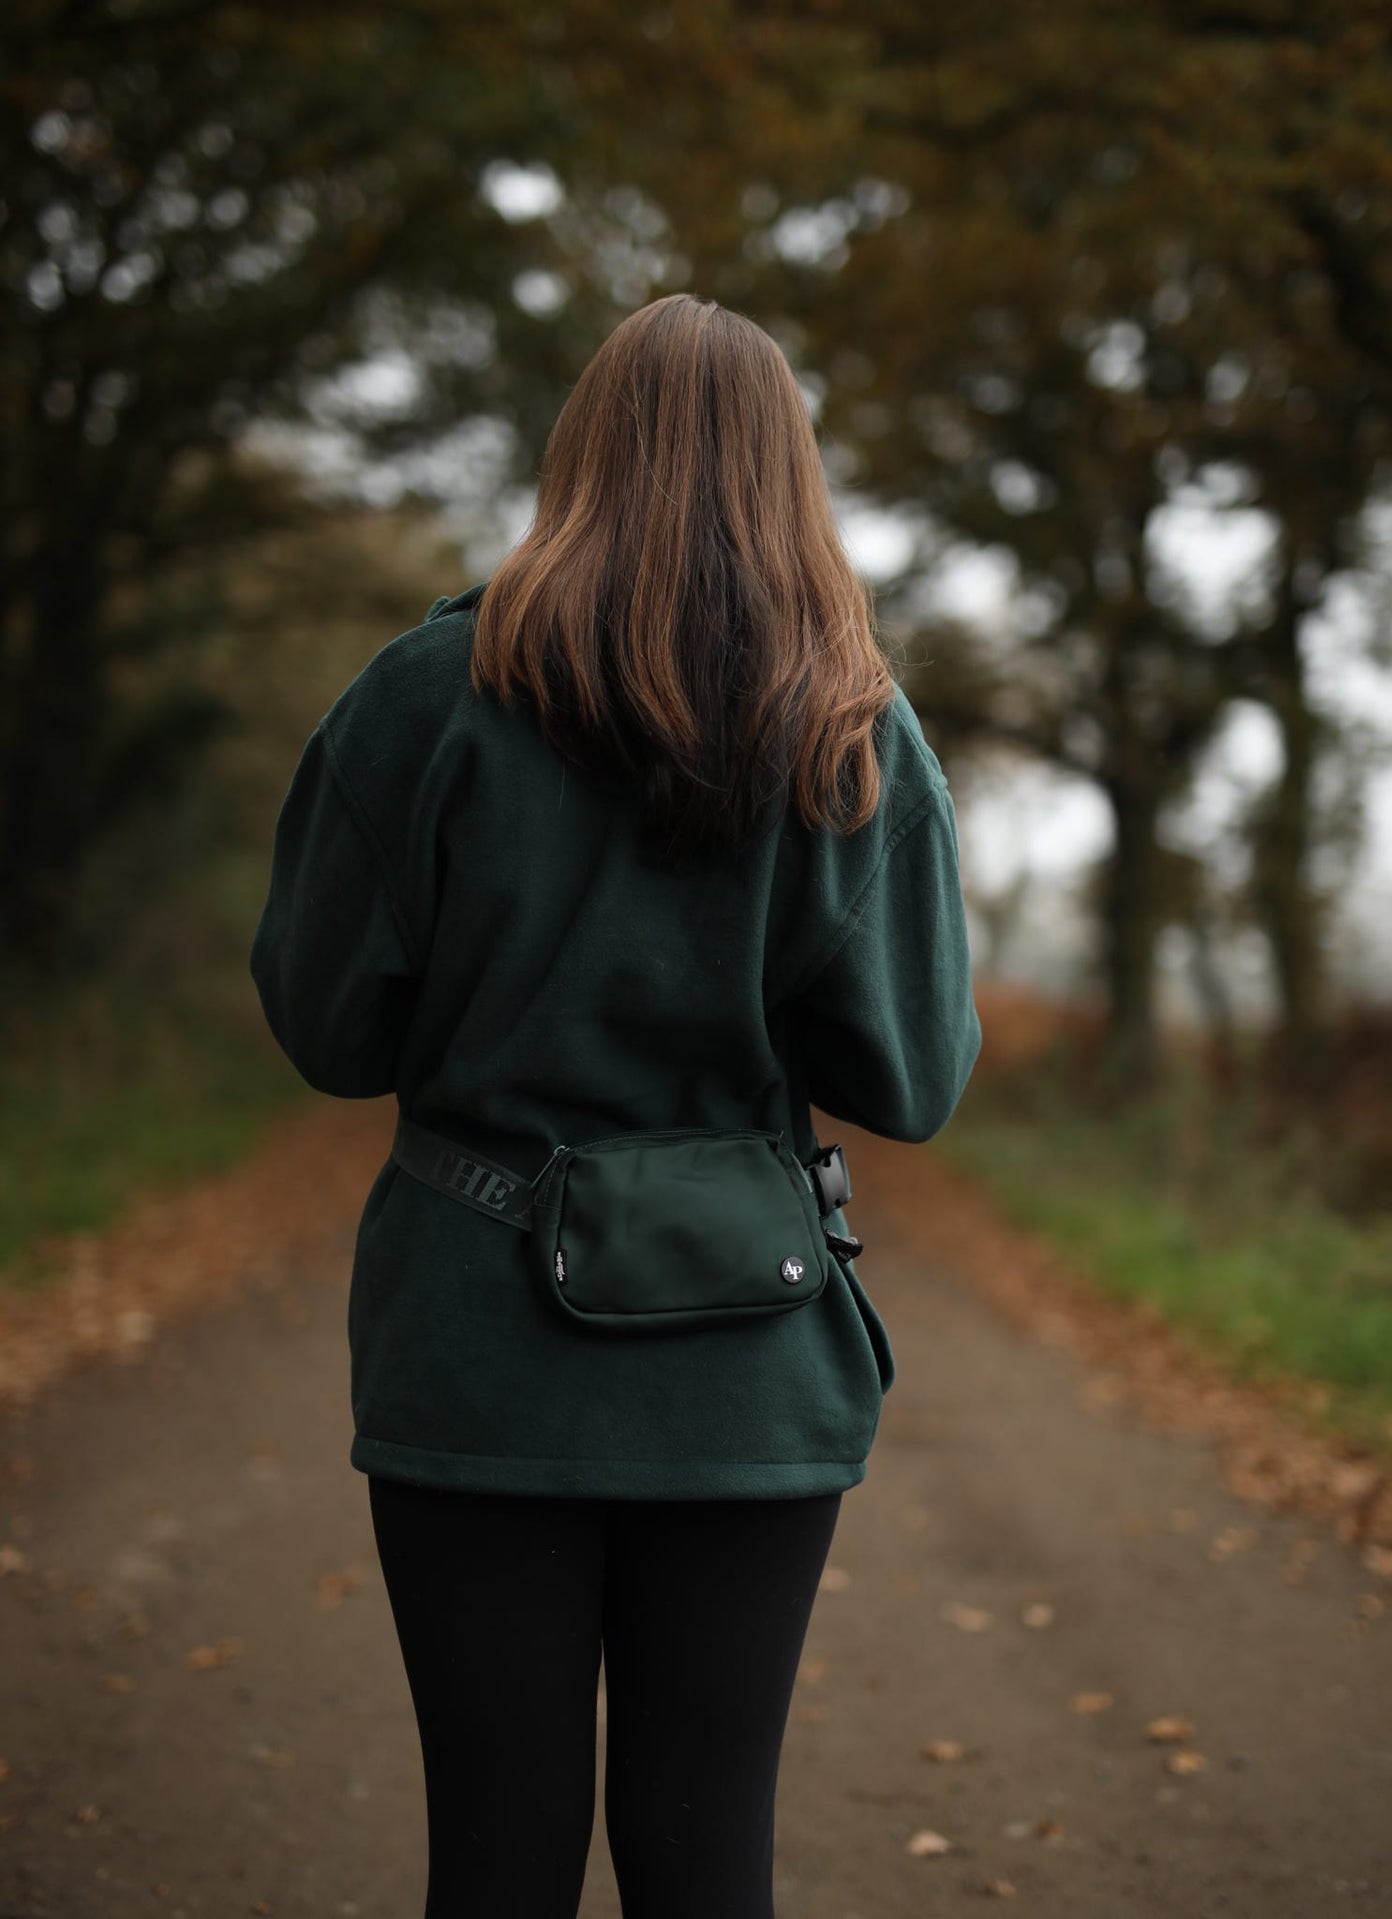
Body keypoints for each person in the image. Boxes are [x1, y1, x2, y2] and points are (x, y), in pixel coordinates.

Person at [249, 291, 982, 1919]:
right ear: (788, 473)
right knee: (704, 1853)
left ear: (580, 453)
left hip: (473, 1347)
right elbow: (912, 1079)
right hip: (743, 1368)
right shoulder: (852, 726)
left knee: (493, 1859)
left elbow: (326, 1026)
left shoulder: (421, 695)